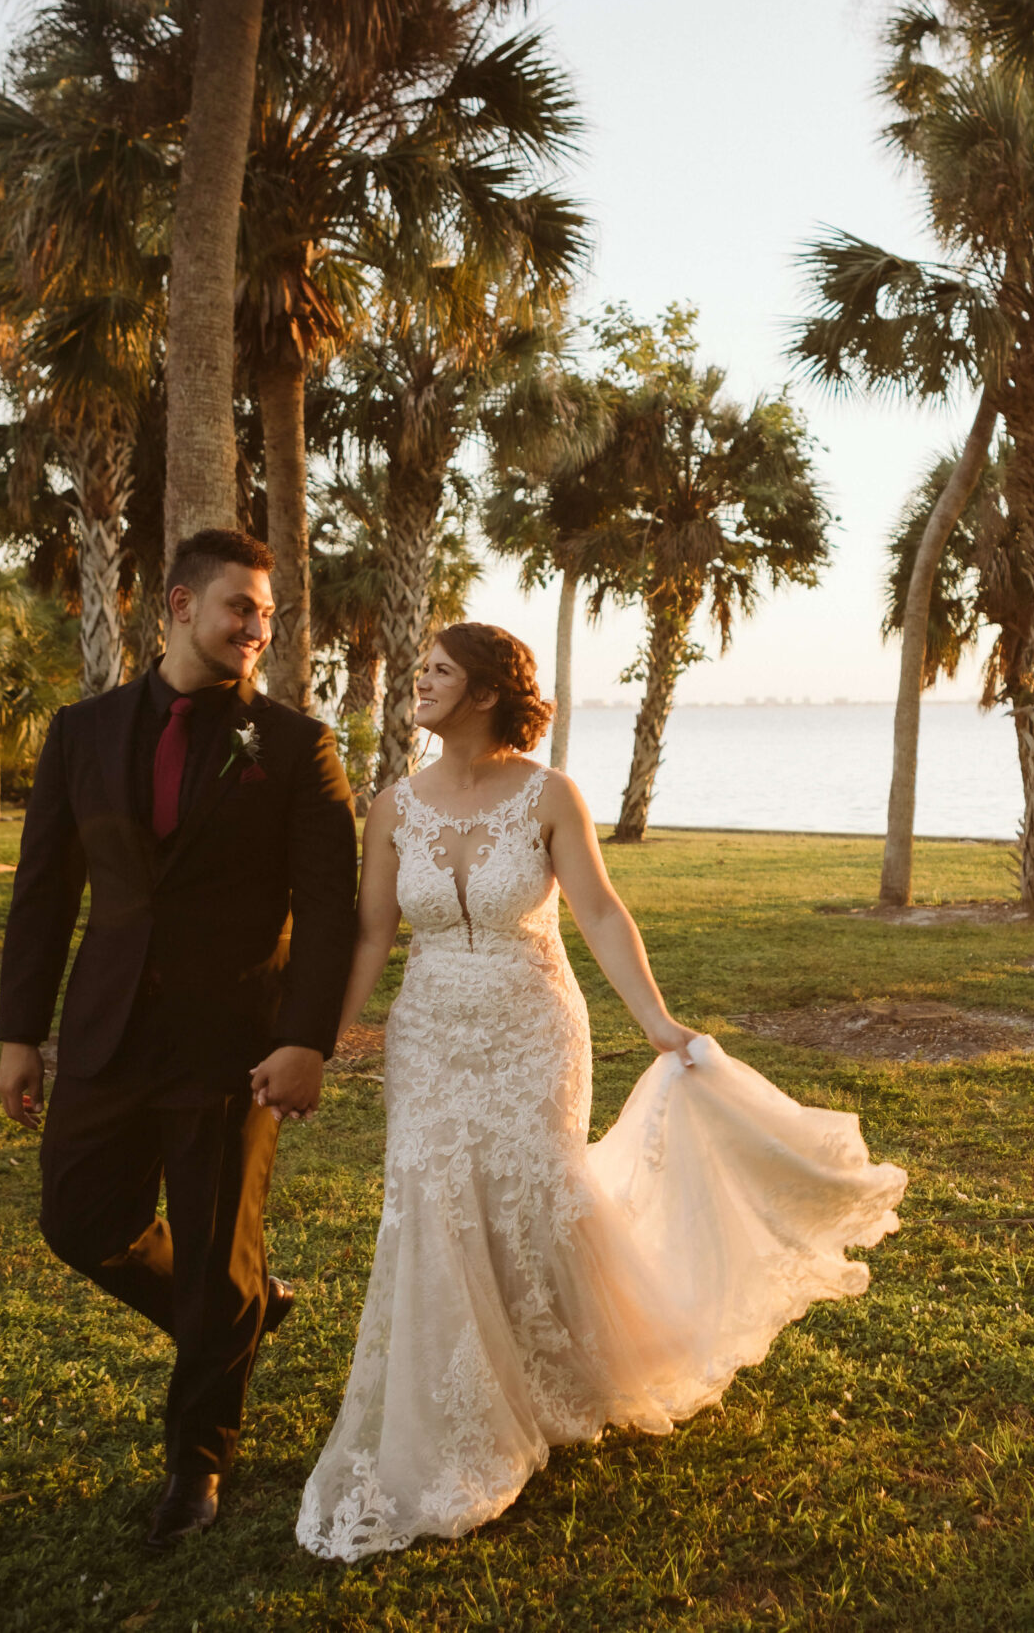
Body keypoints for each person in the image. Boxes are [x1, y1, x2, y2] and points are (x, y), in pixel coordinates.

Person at [297, 622, 905, 1560]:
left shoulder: (551, 797)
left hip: (534, 1029)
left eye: (439, 671)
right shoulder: (392, 808)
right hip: (429, 1033)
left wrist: (659, 1025)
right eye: (420, 670)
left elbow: (601, 913)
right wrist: (323, 1040)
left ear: (488, 692)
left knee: (534, 1195)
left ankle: (561, 1374)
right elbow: (372, 935)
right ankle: (466, 1403)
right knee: (436, 1204)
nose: (419, 683)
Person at [0, 528, 358, 1550]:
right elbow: (43, 891)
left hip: (234, 1039)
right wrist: (20, 1032)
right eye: (239, 607)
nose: (256, 628)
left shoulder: (294, 747)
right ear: (179, 605)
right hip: (105, 1026)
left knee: (214, 1251)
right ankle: (235, 1312)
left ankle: (198, 1458)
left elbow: (326, 909)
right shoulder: (81, 733)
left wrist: (307, 1040)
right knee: (78, 1220)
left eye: (267, 615)